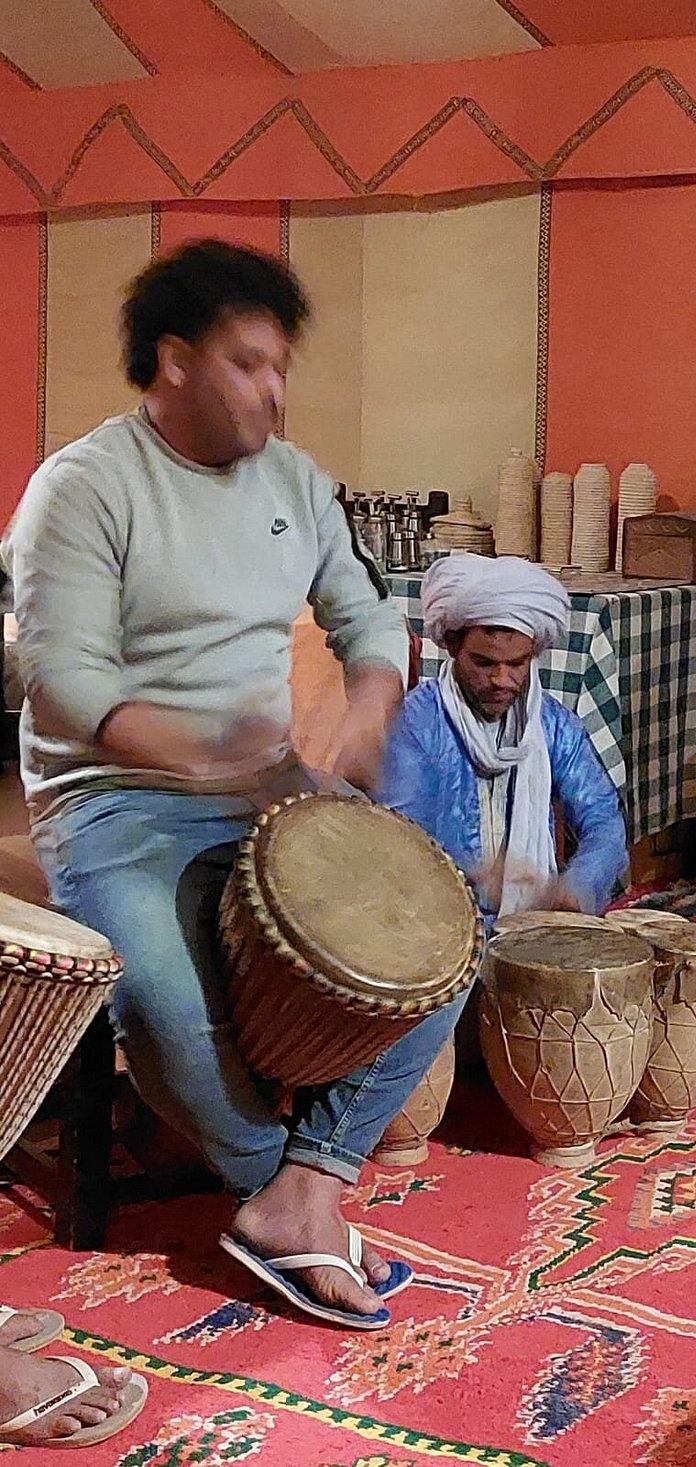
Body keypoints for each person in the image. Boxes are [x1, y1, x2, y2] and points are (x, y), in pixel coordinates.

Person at [2, 239, 446, 1331]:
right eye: (249, 363)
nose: (274, 391)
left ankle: (309, 1186)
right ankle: (272, 1191)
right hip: (110, 796)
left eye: (280, 365)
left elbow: (367, 615)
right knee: (157, 992)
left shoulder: (293, 481)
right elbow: (58, 676)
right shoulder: (86, 485)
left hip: (264, 787)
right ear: (173, 362)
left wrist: (369, 707)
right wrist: (192, 754)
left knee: (446, 941)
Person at [377, 554, 628, 926]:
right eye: (483, 663)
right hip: (434, 927)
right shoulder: (416, 724)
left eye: (516, 664)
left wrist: (576, 887)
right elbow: (400, 837)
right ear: (451, 646)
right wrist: (472, 873)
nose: (501, 680)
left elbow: (605, 822)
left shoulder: (553, 725)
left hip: (530, 926)